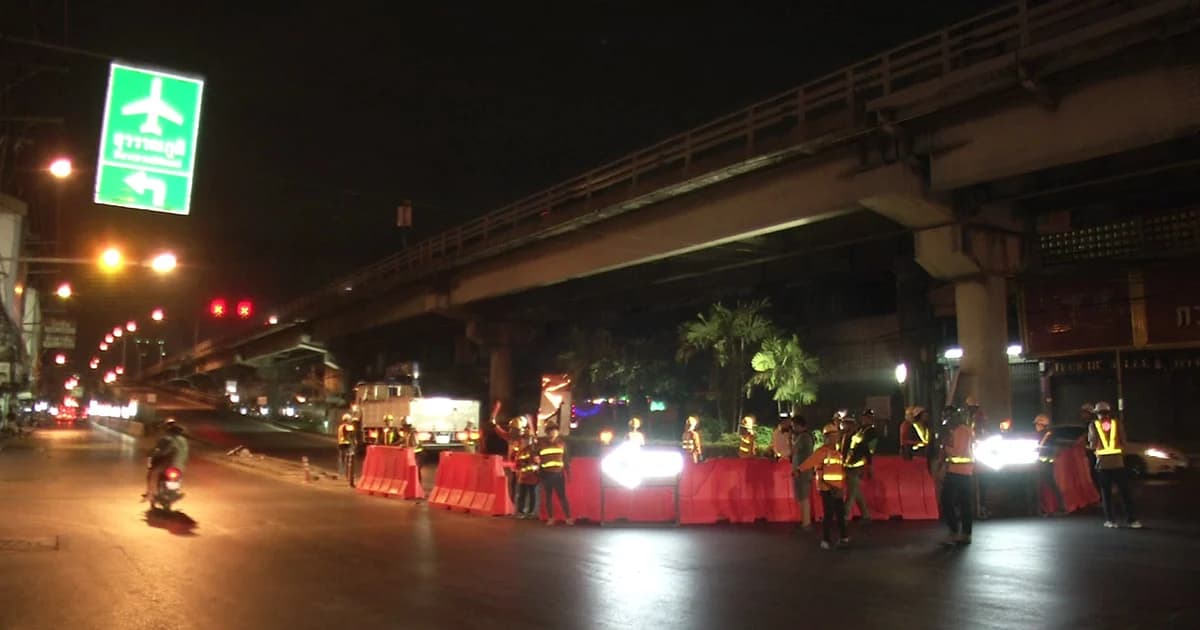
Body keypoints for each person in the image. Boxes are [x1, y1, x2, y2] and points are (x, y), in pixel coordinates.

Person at [1088, 402, 1141, 529]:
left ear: (1097, 413)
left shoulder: (1094, 425)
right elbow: (1124, 442)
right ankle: (1132, 520)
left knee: (1106, 494)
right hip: (1118, 463)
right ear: (1109, 412)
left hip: (1103, 465)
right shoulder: (1117, 424)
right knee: (1125, 493)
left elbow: (1093, 444)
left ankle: (1111, 521)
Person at [797, 422, 848, 549]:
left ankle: (844, 537)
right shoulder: (822, 452)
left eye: (836, 435)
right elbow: (810, 462)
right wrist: (799, 470)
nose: (835, 438)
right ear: (827, 437)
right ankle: (826, 540)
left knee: (840, 514)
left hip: (837, 488)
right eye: (833, 436)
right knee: (829, 514)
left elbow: (840, 471)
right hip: (826, 488)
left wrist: (841, 487)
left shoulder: (838, 453)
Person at [940, 408, 975, 546]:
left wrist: (945, 447)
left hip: (956, 472)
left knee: (947, 500)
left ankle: (954, 531)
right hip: (966, 472)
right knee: (965, 503)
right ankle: (965, 533)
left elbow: (957, 452)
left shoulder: (959, 431)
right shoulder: (966, 430)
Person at [841, 409, 878, 522]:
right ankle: (866, 515)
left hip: (856, 467)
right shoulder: (845, 436)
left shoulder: (860, 436)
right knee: (856, 492)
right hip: (848, 466)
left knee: (851, 493)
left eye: (846, 424)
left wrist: (869, 466)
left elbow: (867, 452)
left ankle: (844, 516)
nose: (844, 426)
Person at [143, 418, 189, 500]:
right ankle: (177, 490)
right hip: (180, 466)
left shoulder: (167, 439)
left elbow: (163, 451)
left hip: (168, 465)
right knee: (179, 477)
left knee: (152, 473)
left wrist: (153, 454)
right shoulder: (184, 441)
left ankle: (150, 493)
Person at [538, 422, 573, 526]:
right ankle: (550, 518)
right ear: (547, 433)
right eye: (550, 431)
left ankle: (568, 518)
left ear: (557, 432)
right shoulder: (541, 444)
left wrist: (568, 473)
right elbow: (536, 457)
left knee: (562, 497)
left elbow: (566, 459)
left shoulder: (562, 444)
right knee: (548, 497)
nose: (553, 433)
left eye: (555, 430)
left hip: (558, 474)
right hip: (546, 474)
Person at [1034, 414, 1066, 516]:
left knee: (1048, 485)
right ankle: (1055, 508)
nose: (1036, 426)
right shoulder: (1044, 435)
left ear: (1043, 425)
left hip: (1046, 464)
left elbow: (1046, 450)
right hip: (1044, 464)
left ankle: (1058, 508)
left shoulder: (1047, 435)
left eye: (1037, 424)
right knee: (1049, 485)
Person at [495, 415, 530, 505]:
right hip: (514, 465)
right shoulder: (510, 437)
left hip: (523, 466)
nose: (512, 430)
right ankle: (514, 501)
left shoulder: (526, 438)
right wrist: (495, 425)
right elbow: (500, 432)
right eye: (511, 428)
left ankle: (521, 502)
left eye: (514, 429)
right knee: (514, 483)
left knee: (522, 485)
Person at [790, 415, 814, 530]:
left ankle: (806, 523)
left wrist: (789, 439)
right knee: (802, 497)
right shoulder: (805, 436)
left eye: (794, 426)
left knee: (803, 497)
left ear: (799, 425)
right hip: (802, 471)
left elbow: (793, 451)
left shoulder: (803, 437)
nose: (793, 428)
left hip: (803, 471)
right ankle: (804, 521)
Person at [513, 434, 540, 519]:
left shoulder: (533, 450)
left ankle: (531, 512)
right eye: (523, 440)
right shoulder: (520, 451)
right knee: (522, 495)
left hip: (532, 476)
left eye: (526, 440)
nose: (524, 441)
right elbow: (517, 463)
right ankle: (521, 512)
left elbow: (537, 462)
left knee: (532, 495)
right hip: (523, 477)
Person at [336, 413, 356, 478]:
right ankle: (347, 473)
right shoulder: (346, 426)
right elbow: (351, 431)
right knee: (348, 458)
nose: (350, 421)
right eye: (349, 420)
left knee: (342, 459)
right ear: (346, 420)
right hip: (346, 444)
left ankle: (342, 472)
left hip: (341, 444)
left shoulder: (340, 427)